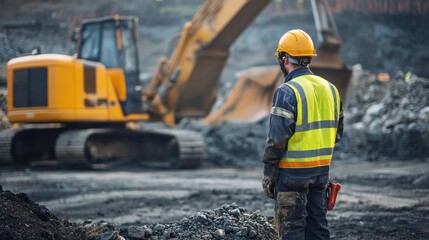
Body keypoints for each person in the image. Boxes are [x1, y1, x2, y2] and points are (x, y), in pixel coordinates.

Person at [261, 29, 344, 240]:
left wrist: (269, 172)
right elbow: (337, 133)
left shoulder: (287, 91)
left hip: (292, 175)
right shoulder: (331, 89)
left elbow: (276, 140)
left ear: (284, 58)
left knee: (292, 231)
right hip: (321, 174)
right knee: (318, 229)